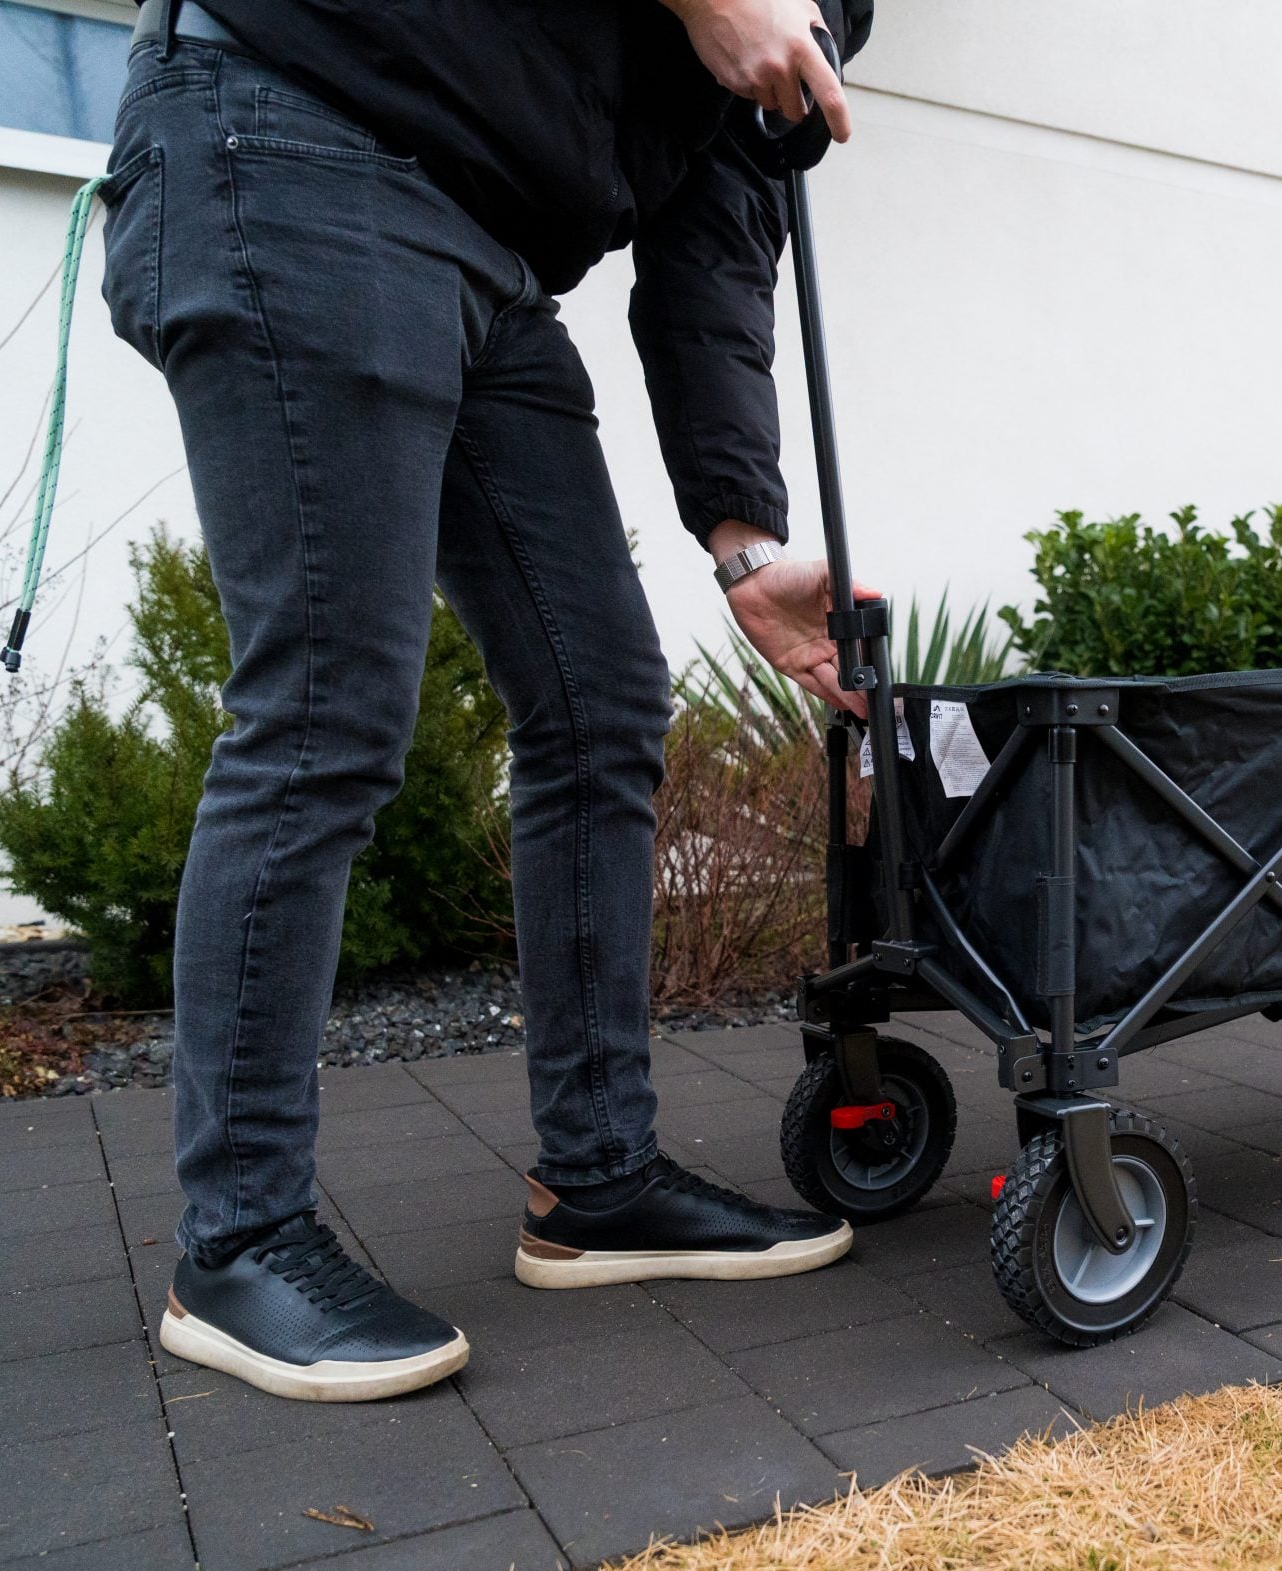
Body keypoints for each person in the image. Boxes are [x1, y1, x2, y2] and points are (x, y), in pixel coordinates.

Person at [98, 0, 877, 1403]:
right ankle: (239, 1240)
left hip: (495, 257)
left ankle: (599, 1183)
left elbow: (712, 244)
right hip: (296, 120)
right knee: (326, 708)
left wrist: (744, 544)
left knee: (602, 703)